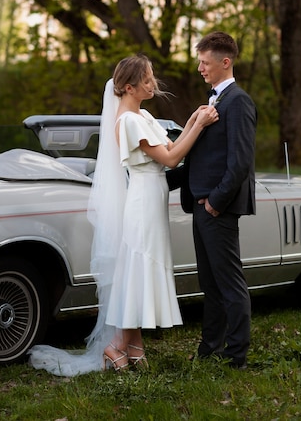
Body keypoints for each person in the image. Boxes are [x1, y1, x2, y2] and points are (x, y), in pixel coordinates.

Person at [28, 54, 218, 375]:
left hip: (153, 198)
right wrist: (198, 124)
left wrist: (189, 123)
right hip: (142, 201)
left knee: (141, 273)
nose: (152, 84)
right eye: (146, 79)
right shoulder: (127, 121)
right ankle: (115, 346)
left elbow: (169, 147)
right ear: (128, 87)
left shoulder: (142, 115)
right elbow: (171, 159)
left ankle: (133, 345)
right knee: (139, 270)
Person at [167, 31, 257, 369]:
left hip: (217, 207)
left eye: (205, 62)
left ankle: (237, 355)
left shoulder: (238, 102)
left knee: (229, 282)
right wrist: (158, 182)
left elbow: (240, 162)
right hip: (201, 205)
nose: (200, 68)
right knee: (210, 282)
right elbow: (198, 159)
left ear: (225, 62)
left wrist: (216, 202)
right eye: (199, 62)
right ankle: (210, 347)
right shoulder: (214, 100)